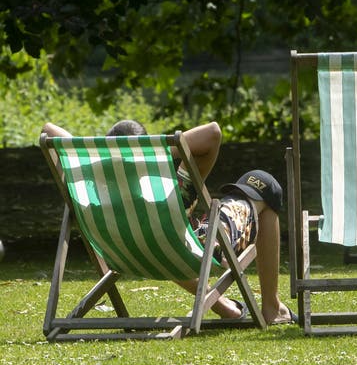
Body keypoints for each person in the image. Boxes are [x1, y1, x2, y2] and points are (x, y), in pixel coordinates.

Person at [41, 120, 296, 325]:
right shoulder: (172, 193)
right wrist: (152, 152)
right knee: (261, 183)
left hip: (128, 258)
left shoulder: (93, 195)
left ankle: (226, 308)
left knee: (156, 239)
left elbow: (48, 130)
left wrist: (105, 155)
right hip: (200, 249)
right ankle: (272, 307)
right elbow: (213, 132)